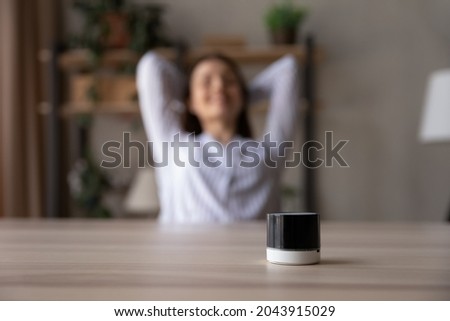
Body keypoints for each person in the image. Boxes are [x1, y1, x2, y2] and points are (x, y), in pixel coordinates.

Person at [137, 50, 300, 223]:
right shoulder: (173, 146)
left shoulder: (270, 151)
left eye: (229, 81)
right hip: (184, 250)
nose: (219, 86)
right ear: (190, 101)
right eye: (206, 81)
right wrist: (193, 93)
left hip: (254, 250)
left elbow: (289, 69)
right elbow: (151, 65)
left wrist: (241, 96)